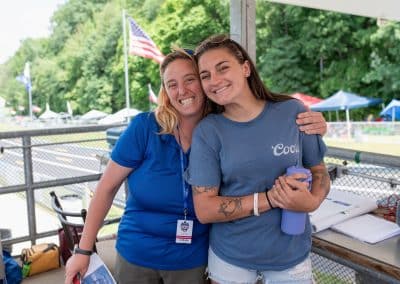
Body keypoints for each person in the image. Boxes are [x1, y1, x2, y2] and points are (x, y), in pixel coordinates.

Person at [64, 48, 327, 284]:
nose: (182, 90)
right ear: (165, 92)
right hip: (138, 254)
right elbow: (106, 188)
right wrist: (83, 250)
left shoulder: (221, 127)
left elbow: (264, 129)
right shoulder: (145, 128)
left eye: (190, 79)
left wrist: (312, 128)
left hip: (193, 257)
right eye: (172, 84)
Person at [185, 34, 331, 284]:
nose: (215, 80)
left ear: (245, 68)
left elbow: (319, 171)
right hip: (231, 261)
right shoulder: (209, 131)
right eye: (205, 75)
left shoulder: (292, 112)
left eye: (223, 68)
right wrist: (270, 199)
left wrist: (312, 201)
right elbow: (205, 209)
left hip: (291, 258)